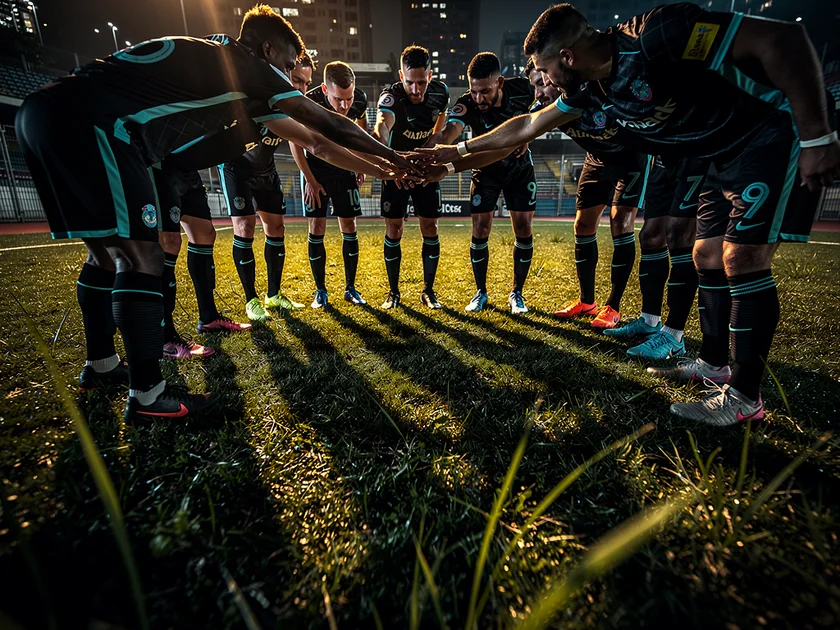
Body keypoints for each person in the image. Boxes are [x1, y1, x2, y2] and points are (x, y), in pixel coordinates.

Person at [420, 3, 840, 425]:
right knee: (707, 255)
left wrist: (817, 137)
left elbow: (781, 38)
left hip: (766, 132)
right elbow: (528, 125)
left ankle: (746, 397)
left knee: (742, 257)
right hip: (714, 152)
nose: (544, 82)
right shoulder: (588, 89)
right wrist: (456, 152)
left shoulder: (658, 33)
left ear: (567, 57)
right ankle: (715, 365)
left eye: (545, 70)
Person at [15, 4, 417, 422]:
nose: (289, 78)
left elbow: (318, 144)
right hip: (97, 126)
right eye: (287, 66)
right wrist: (395, 158)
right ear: (267, 50)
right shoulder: (248, 66)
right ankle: (147, 396)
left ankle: (100, 365)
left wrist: (386, 169)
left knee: (103, 255)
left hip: (47, 113)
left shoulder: (222, 62)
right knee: (141, 257)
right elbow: (327, 128)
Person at [526, 58, 650, 330]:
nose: (538, 92)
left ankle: (613, 307)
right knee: (582, 225)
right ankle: (587, 302)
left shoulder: (588, 91)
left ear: (555, 78)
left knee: (621, 221)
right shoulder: (546, 107)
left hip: (631, 157)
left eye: (541, 83)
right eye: (534, 86)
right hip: (597, 159)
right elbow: (522, 129)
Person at [425, 52, 536, 314]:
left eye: (485, 91)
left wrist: (528, 134)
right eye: (474, 91)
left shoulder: (524, 89)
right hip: (485, 171)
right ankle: (480, 292)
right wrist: (433, 148)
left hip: (519, 169)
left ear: (500, 83)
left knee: (523, 226)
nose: (478, 98)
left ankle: (517, 294)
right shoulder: (466, 103)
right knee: (480, 227)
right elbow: (451, 132)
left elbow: (543, 109)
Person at [219, 54, 316, 321]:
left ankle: (273, 294)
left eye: (306, 83)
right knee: (245, 227)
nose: (302, 88)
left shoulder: (294, 106)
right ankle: (251, 300)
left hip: (267, 170)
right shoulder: (261, 97)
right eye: (297, 80)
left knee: (276, 227)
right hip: (237, 168)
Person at [371, 45, 449, 309]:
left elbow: (441, 123)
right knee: (394, 229)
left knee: (431, 227)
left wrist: (433, 145)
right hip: (397, 170)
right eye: (409, 82)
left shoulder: (440, 93)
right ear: (400, 76)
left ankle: (428, 291)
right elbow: (382, 124)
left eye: (421, 82)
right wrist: (390, 159)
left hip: (424, 170)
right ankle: (393, 293)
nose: (416, 90)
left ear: (430, 76)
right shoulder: (391, 97)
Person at [290, 62, 370, 309]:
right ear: (325, 89)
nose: (345, 105)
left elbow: (362, 131)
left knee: (349, 224)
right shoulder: (309, 103)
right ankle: (320, 291)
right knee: (317, 225)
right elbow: (295, 142)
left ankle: (351, 288)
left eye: (349, 98)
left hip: (344, 168)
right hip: (316, 171)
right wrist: (310, 180)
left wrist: (360, 164)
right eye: (338, 99)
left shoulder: (359, 101)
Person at [155, 164, 251, 360]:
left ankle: (209, 318)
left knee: (205, 234)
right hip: (161, 166)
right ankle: (165, 339)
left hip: (188, 168)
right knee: (169, 241)